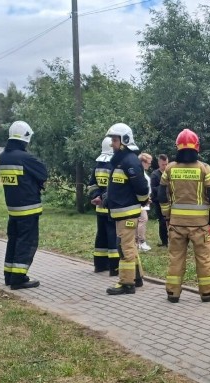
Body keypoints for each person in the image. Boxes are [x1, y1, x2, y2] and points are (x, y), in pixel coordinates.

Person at [158, 128, 210, 303]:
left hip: (176, 224)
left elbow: (161, 194)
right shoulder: (204, 168)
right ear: (197, 147)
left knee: (175, 258)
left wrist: (166, 215)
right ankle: (208, 292)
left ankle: (173, 293)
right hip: (199, 225)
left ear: (177, 147)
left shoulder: (170, 169)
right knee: (204, 258)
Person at [0, 121, 48, 289]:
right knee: (26, 242)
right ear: (25, 137)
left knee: (13, 240)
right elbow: (43, 172)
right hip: (29, 208)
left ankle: (9, 275)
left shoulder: (4, 157)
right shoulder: (25, 157)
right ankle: (18, 278)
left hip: (13, 209)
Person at [103, 123, 150, 295]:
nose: (112, 144)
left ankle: (126, 283)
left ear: (124, 141)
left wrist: (143, 200)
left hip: (127, 214)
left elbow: (142, 188)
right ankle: (136, 278)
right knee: (128, 245)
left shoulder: (129, 161)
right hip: (122, 212)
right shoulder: (121, 161)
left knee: (125, 248)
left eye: (114, 140)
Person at [87, 136, 118, 274]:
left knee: (101, 236)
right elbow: (114, 186)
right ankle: (114, 267)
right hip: (112, 208)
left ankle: (99, 265)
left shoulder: (98, 165)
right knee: (113, 237)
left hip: (99, 207)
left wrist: (96, 196)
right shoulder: (114, 165)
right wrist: (104, 197)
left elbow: (92, 185)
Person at [150, 154, 169, 247]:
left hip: (170, 201)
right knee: (162, 221)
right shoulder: (155, 174)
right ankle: (164, 241)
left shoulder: (170, 172)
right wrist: (164, 188)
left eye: (166, 164)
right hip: (159, 201)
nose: (165, 166)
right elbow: (153, 188)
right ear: (159, 163)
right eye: (163, 165)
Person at [136, 152, 153, 252]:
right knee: (143, 219)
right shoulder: (139, 173)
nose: (149, 165)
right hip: (140, 201)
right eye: (148, 163)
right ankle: (141, 242)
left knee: (139, 220)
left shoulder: (142, 172)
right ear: (142, 162)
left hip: (144, 200)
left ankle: (137, 242)